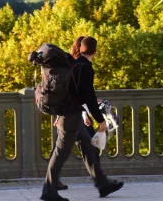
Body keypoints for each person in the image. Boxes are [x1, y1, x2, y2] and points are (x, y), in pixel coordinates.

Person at [41, 36, 124, 201]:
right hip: (71, 116)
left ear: (81, 49)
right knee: (61, 151)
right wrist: (100, 120)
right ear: (95, 51)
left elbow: (70, 92)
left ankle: (103, 184)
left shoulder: (73, 63)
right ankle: (48, 190)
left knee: (89, 148)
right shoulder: (85, 68)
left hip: (73, 115)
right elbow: (89, 97)